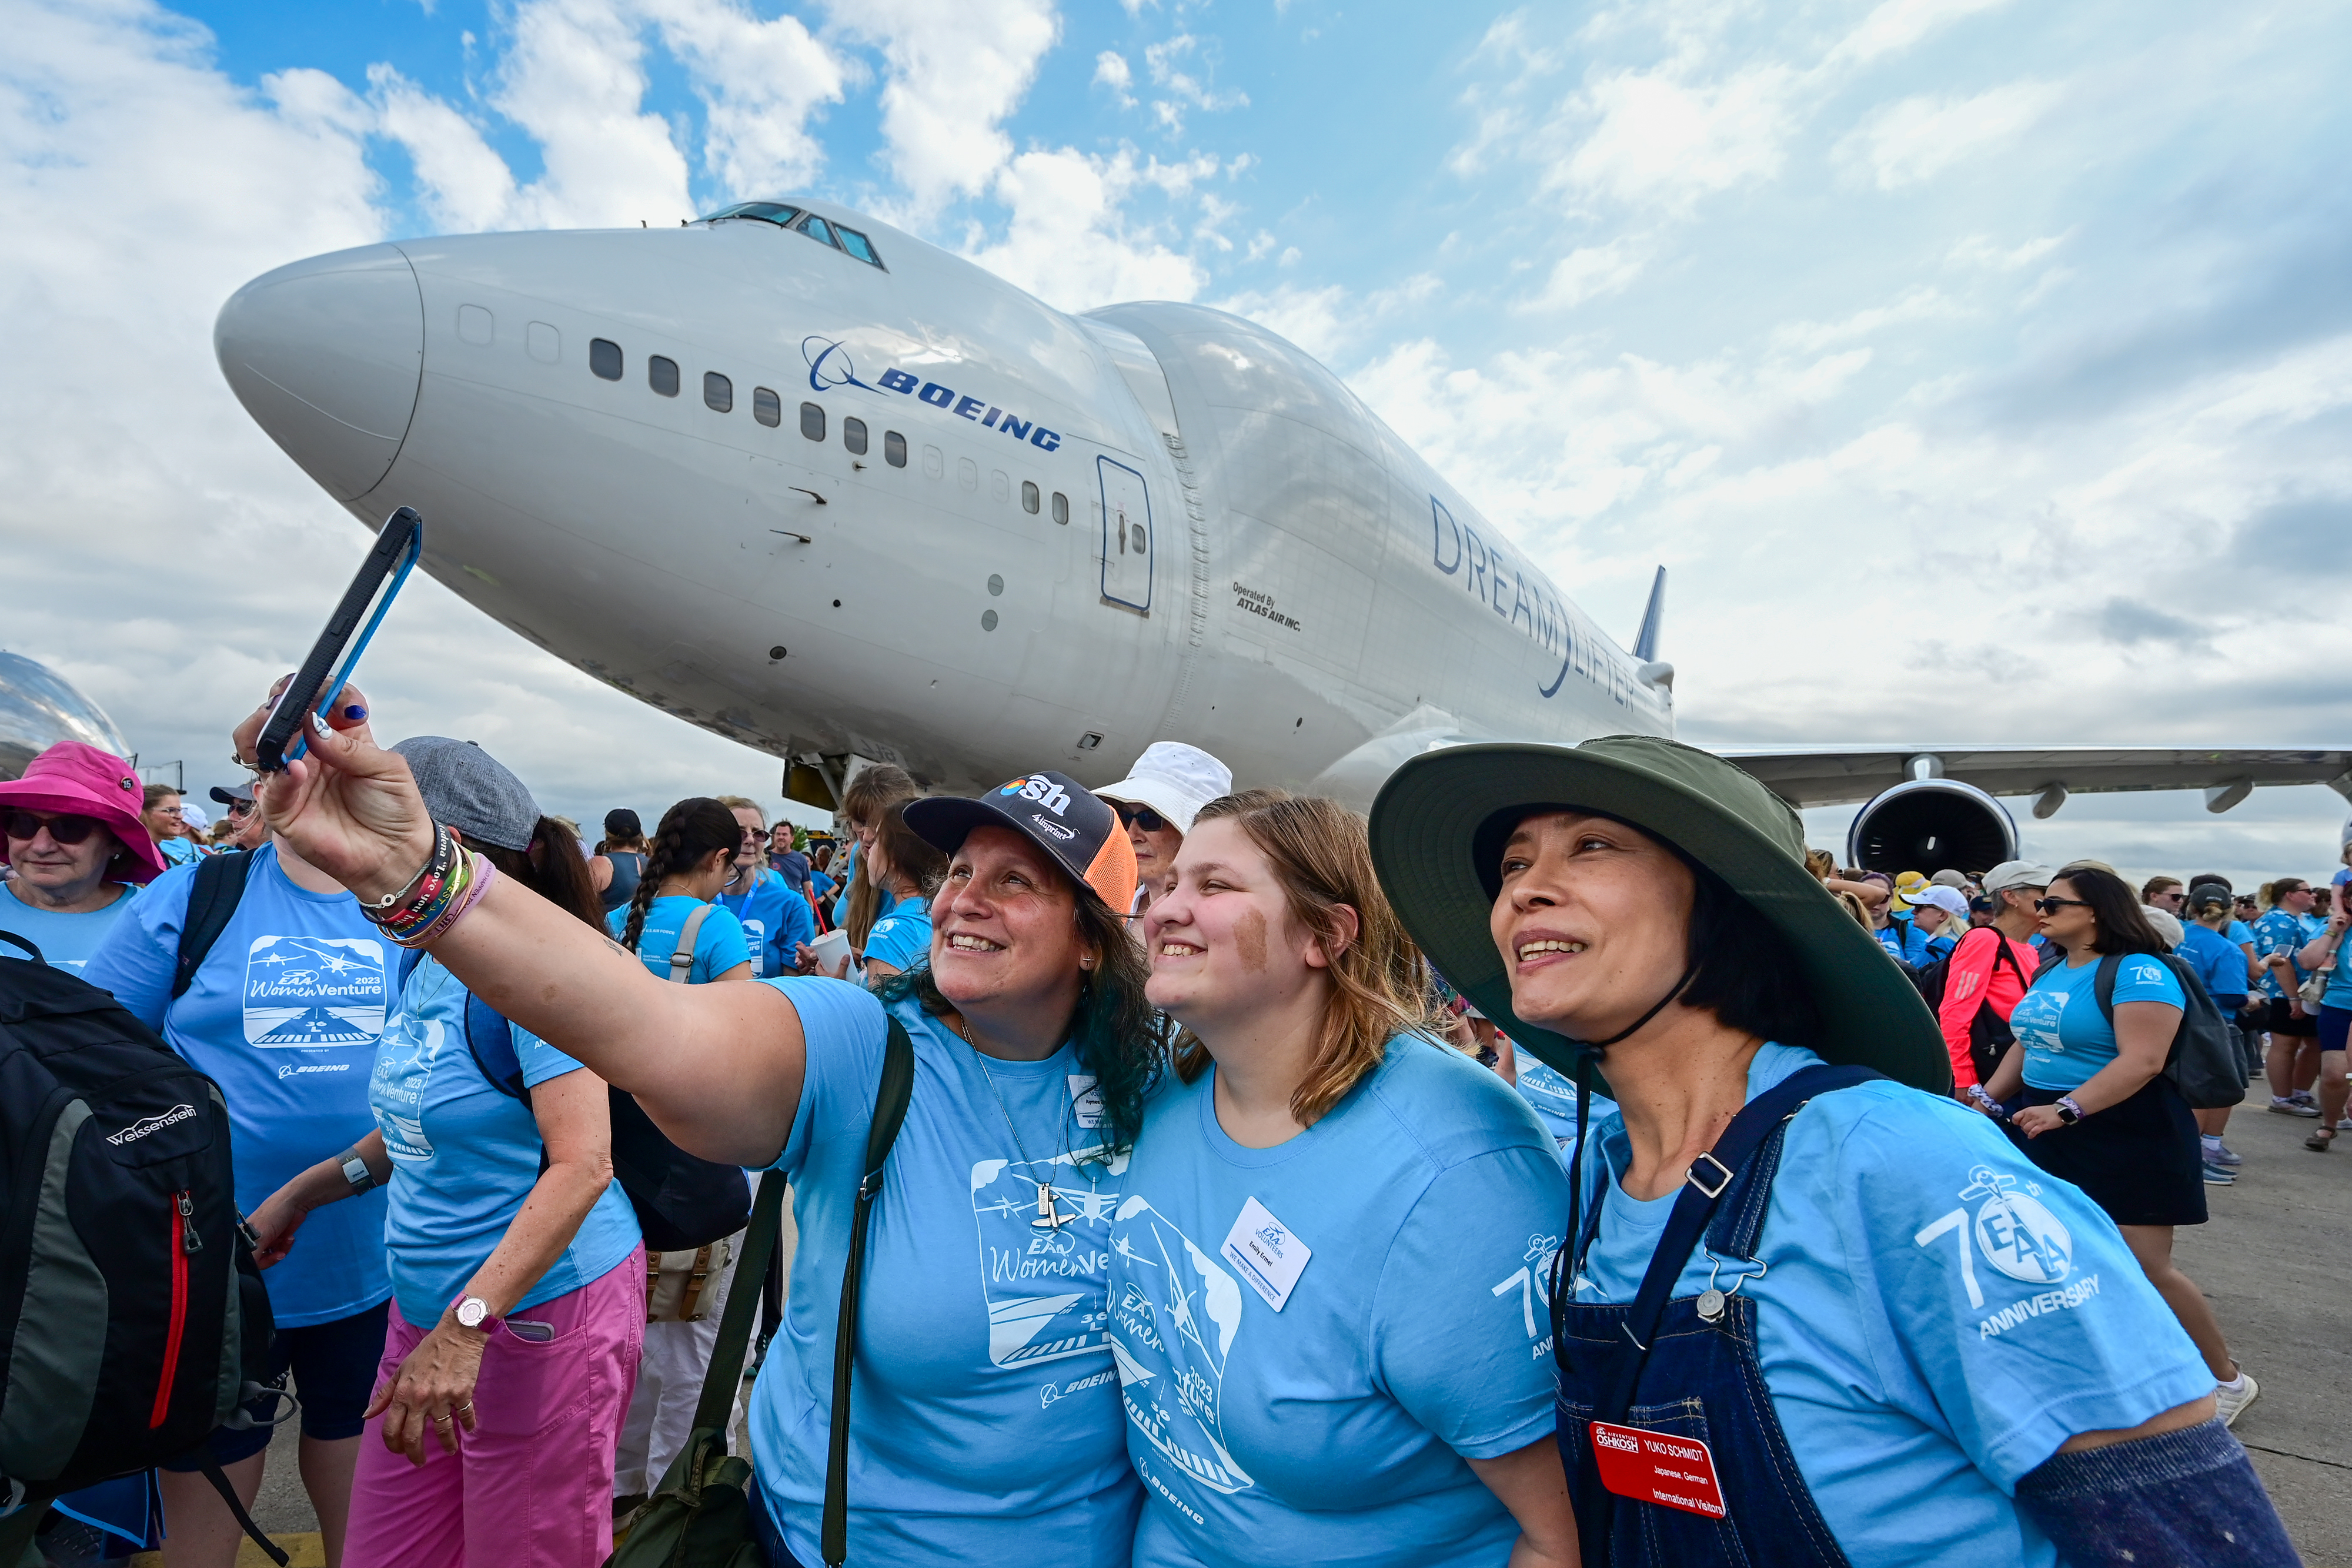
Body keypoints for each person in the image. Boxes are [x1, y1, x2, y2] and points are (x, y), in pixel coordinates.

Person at [239, 689, 1162, 1568]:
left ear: (1091, 936)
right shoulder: (866, 1045)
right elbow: (651, 1026)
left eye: (1016, 880)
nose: (963, 898)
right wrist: (413, 869)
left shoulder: (1159, 1079)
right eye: (960, 870)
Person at [1366, 735, 2295, 1568]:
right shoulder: (1596, 1176)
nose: (1523, 884)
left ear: (1727, 903)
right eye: (1515, 861)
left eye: (1593, 845)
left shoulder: (1901, 1160)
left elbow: (2190, 1533)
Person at [1116, 790, 1577, 1567]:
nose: (1166, 908)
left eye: (1215, 886)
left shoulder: (1456, 1179)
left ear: (1325, 934)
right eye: (1168, 885)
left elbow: (1562, 1533)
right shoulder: (1177, 1084)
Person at [245, 737, 646, 1568]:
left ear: (439, 844)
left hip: (538, 1317)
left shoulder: (534, 972)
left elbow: (585, 1162)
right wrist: (305, 1193)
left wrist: (467, 1327)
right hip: (427, 1314)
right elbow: (414, 1128)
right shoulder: (424, 959)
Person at [85, 771, 396, 1567]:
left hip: (371, 1257)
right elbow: (98, 1063)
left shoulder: (404, 906)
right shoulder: (196, 895)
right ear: (263, 787)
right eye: (284, 770)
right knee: (209, 1461)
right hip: (210, 1261)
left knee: (353, 1444)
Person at [1979, 864, 2254, 1425]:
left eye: (2054, 904)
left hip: (2129, 1130)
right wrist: (1985, 1102)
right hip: (2045, 1125)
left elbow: (2144, 1060)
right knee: (2049, 1259)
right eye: (2042, 903)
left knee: (2145, 1264)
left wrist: (2067, 1109)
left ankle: (2227, 1378)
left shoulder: (2142, 971)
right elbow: (2025, 1044)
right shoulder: (2051, 967)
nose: (2040, 912)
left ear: (2097, 912)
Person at [0, 741, 163, 968]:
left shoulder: (159, 923)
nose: (41, 846)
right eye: (22, 824)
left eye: (70, 828)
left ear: (117, 842)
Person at [1935, 860, 2049, 1092]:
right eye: (2044, 892)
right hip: (1986, 1078)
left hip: (2013, 1076)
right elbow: (1955, 1013)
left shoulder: (2028, 948)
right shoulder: (1984, 940)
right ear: (2011, 896)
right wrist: (1963, 1079)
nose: (2052, 900)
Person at [614, 798, 755, 984]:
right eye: (730, 870)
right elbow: (742, 1009)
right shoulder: (719, 925)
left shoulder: (615, 919)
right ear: (718, 859)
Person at [1093, 740, 1233, 915]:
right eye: (1125, 817)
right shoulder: (1111, 908)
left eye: (1150, 818)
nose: (1131, 834)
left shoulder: (1218, 920)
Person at [2177, 886, 2256, 1179]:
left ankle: (2198, 1149)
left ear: (2191, 907)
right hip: (2212, 1027)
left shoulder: (2175, 936)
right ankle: (2196, 1152)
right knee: (2209, 1089)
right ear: (2229, 912)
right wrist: (2254, 1000)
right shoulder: (2227, 950)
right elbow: (2233, 995)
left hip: (2172, 1018)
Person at [715, 795, 812, 978]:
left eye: (758, 833)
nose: (751, 839)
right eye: (740, 832)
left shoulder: (791, 906)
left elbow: (793, 991)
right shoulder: (699, 901)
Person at [2253, 877, 2324, 1116]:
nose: (2313, 895)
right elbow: (2280, 961)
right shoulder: (2277, 922)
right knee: (2286, 1044)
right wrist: (2293, 998)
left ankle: (2299, 1092)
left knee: (2315, 1042)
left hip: (2307, 991)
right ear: (2290, 895)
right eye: (2308, 891)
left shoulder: (2300, 920)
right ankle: (2282, 1098)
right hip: (2283, 991)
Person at [856, 801, 946, 985]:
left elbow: (884, 1013)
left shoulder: (890, 932)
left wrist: (838, 985)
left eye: (875, 842)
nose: (869, 850)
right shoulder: (942, 913)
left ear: (894, 857)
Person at [839, 763, 919, 957]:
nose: (866, 836)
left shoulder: (922, 874)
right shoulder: (860, 856)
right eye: (861, 822)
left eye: (877, 824)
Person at [2291, 905, 2351, 1149]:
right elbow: (2307, 961)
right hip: (2339, 1005)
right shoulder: (2337, 923)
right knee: (2335, 1075)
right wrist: (2332, 931)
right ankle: (2329, 1124)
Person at [592, 808, 649, 912]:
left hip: (604, 928)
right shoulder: (654, 865)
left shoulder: (600, 864)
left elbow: (578, 903)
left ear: (607, 833)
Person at [1900, 883, 1969, 961]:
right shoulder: (1949, 940)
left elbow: (1912, 972)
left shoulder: (1943, 944)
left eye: (1919, 907)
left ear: (1942, 915)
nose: (1913, 912)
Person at [212, 780, 269, 851]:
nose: (231, 818)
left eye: (244, 807)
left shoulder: (284, 860)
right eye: (231, 808)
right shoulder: (232, 860)